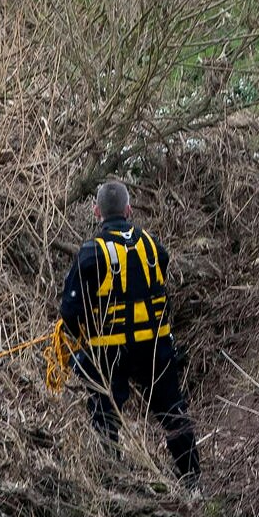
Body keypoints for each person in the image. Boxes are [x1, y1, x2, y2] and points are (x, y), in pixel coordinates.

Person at [57, 180, 199, 485]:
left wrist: (81, 339)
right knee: (173, 411)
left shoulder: (90, 253)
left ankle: (114, 481)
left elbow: (69, 311)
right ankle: (192, 482)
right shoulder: (152, 244)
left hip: (111, 352)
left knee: (105, 414)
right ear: (129, 209)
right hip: (156, 347)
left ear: (96, 212)